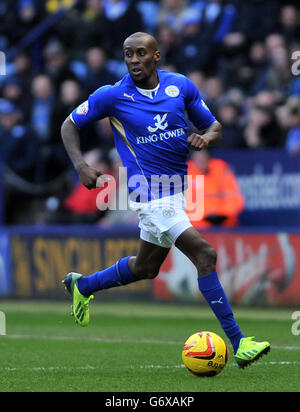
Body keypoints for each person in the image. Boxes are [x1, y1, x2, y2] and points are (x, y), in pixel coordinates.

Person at [61, 32, 270, 368]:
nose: (133, 60)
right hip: (147, 192)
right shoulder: (112, 95)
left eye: (140, 53)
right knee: (205, 254)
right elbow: (69, 124)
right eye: (127, 54)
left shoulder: (180, 86)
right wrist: (82, 164)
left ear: (156, 56)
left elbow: (214, 125)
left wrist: (205, 137)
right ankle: (240, 342)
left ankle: (83, 285)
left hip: (175, 192)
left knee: (146, 267)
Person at [187, 149, 245, 229]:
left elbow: (235, 199)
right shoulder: (185, 174)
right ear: (193, 159)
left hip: (224, 223)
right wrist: (205, 215)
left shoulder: (220, 169)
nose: (201, 160)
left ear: (208, 158)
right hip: (197, 227)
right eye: (198, 157)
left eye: (204, 157)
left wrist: (222, 214)